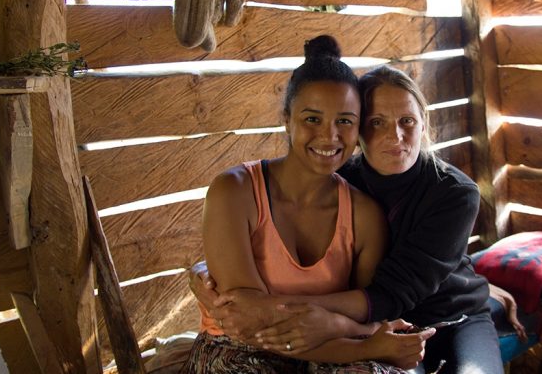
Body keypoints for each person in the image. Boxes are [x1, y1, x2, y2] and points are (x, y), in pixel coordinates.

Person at [193, 64, 516, 373]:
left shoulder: (454, 192)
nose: (395, 136)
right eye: (377, 122)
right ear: (359, 130)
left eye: (407, 121)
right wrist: (207, 274)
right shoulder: (338, 181)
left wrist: (264, 307)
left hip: (454, 318)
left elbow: (394, 292)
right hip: (386, 326)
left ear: (423, 123)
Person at [180, 38, 435, 374]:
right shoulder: (235, 192)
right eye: (312, 119)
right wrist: (368, 343)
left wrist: (363, 337)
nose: (329, 136)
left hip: (326, 346)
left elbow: (363, 316)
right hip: (237, 354)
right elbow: (248, 325)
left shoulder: (364, 215)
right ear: (287, 119)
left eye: (344, 121)